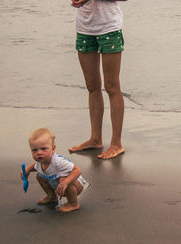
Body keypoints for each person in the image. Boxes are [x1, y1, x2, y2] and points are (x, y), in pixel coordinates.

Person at [69, 0, 125, 160]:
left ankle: (116, 144)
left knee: (112, 86)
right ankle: (95, 139)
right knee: (92, 86)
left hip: (109, 28)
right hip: (84, 27)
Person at [22, 128, 90, 212]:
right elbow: (35, 166)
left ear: (53, 148)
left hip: (76, 185)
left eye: (43, 149)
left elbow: (77, 170)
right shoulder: (41, 161)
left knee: (62, 179)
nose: (39, 152)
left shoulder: (58, 162)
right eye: (34, 150)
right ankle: (52, 197)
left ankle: (73, 204)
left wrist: (66, 182)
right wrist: (27, 170)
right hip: (58, 184)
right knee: (39, 176)